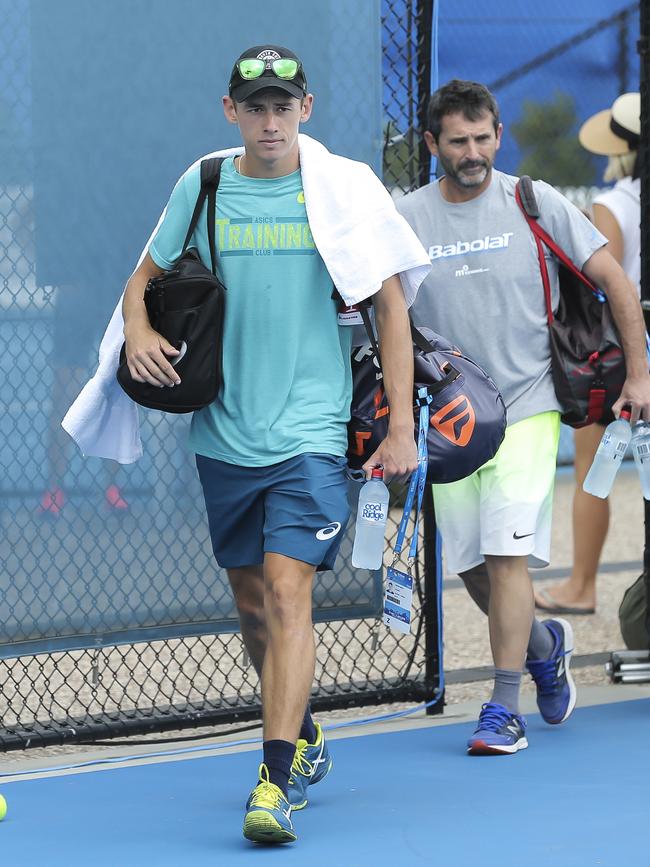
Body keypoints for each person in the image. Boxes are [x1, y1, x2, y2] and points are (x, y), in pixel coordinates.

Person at [113, 46, 428, 843]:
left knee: (290, 594)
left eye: (282, 106)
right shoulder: (206, 183)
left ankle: (274, 780)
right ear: (232, 112)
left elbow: (390, 308)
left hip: (310, 430)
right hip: (224, 430)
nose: (269, 121)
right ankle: (305, 727)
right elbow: (141, 278)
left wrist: (398, 425)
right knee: (252, 606)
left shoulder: (340, 189)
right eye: (255, 107)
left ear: (306, 110)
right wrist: (141, 328)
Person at [396, 80, 650, 756]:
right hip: (447, 419)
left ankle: (504, 704)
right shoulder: (407, 217)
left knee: (507, 555)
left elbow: (617, 282)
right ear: (432, 144)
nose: (473, 152)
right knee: (474, 566)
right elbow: (380, 316)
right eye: (458, 141)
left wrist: (641, 372)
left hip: (529, 407)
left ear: (499, 135)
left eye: (483, 138)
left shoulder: (533, 201)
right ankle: (544, 645)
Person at [536, 92, 641, 615]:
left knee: (591, 471)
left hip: (622, 356)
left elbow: (605, 283)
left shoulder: (616, 203)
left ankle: (581, 585)